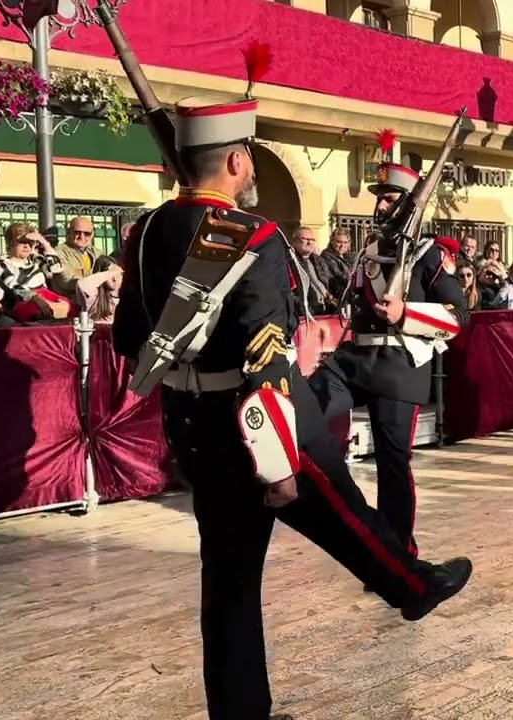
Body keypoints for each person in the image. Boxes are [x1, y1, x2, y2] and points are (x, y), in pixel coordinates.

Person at [111, 49, 470, 720]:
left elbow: (128, 336)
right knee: (339, 508)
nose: (251, 169)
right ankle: (411, 585)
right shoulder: (257, 236)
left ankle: (242, 710)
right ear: (236, 160)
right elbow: (265, 355)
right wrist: (274, 461)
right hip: (261, 420)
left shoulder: (149, 230)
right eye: (249, 158)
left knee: (228, 579)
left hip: (190, 419)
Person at [309, 136, 468, 564]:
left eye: (390, 199)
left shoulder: (429, 254)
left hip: (400, 365)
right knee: (306, 407)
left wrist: (405, 313)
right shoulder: (369, 252)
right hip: (355, 359)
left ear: (411, 205)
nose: (380, 206)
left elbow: (458, 316)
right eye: (379, 198)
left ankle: (398, 553)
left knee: (392, 463)